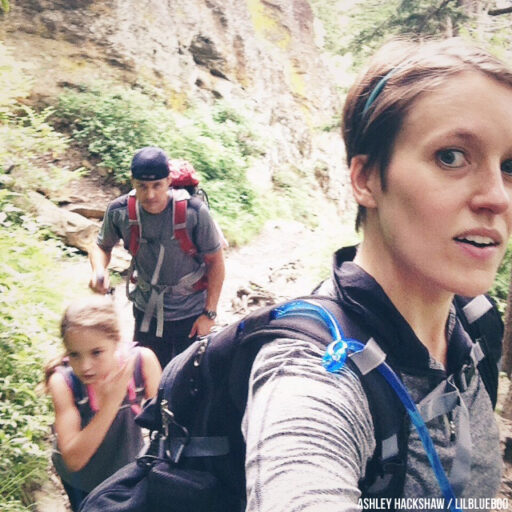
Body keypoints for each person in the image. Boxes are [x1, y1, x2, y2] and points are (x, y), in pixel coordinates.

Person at [242, 37, 512, 510]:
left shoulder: (477, 322)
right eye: (451, 156)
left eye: (510, 166)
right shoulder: (310, 376)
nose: (498, 197)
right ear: (366, 179)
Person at [89, 146, 225, 368]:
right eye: (142, 186)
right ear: (132, 181)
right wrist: (99, 271)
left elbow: (215, 261)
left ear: (169, 181)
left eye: (157, 186)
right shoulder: (120, 211)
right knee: (147, 375)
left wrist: (209, 314)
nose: (150, 195)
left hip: (190, 312)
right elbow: (100, 246)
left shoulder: (193, 213)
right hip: (146, 311)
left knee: (188, 378)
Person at [45, 294, 161, 511]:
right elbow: (73, 460)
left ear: (116, 341)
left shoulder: (142, 363)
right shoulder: (63, 382)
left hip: (126, 470)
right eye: (75, 354)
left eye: (96, 352)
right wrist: (111, 403)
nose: (86, 366)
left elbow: (163, 427)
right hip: (82, 481)